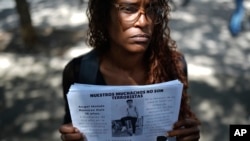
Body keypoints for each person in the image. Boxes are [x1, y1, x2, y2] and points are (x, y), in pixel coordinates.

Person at [59, 0, 201, 141]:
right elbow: (71, 126)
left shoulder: (174, 66)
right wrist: (71, 136)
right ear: (104, 15)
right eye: (128, 9)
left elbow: (178, 125)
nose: (144, 22)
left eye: (151, 8)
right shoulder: (78, 72)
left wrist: (186, 135)